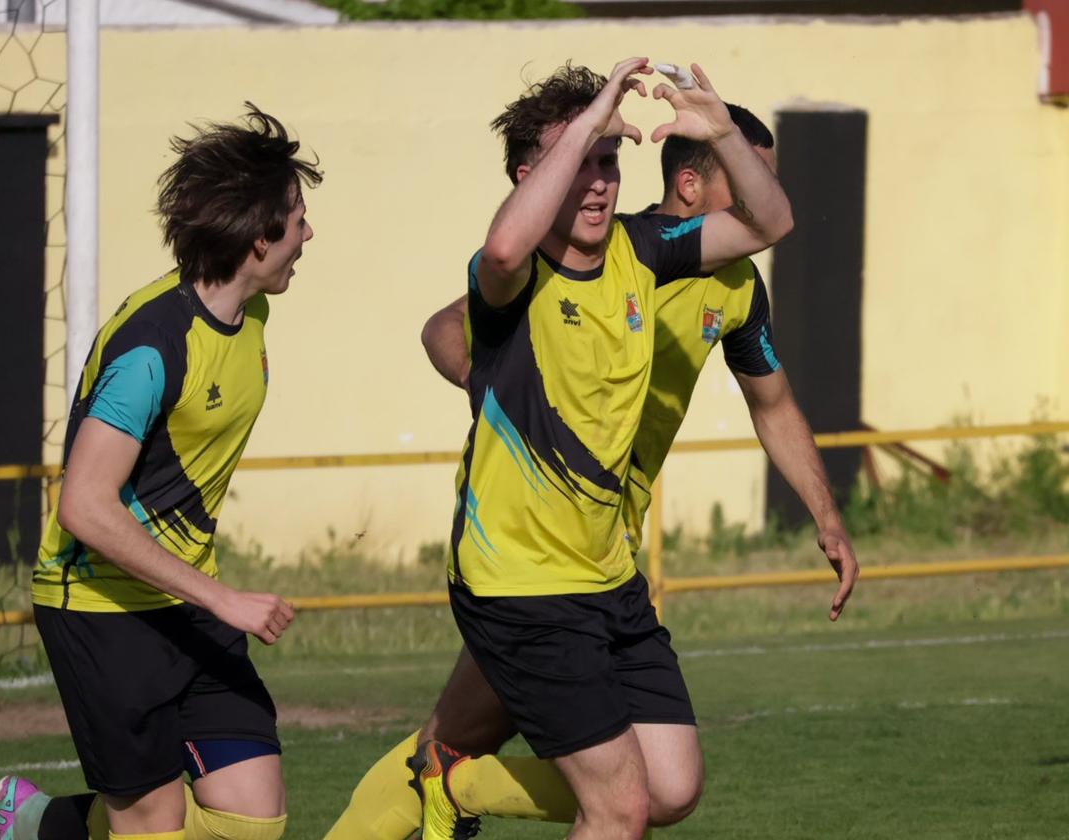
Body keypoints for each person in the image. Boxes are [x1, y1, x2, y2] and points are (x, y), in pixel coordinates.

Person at [324, 96, 857, 840]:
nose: (760, 187)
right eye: (742, 173)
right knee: (554, 777)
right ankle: (437, 793)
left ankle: (450, 789)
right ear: (691, 189)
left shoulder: (733, 288)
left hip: (604, 551)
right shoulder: (591, 252)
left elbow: (774, 405)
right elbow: (449, 325)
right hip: (529, 554)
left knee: (488, 751)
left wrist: (826, 515)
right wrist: (505, 400)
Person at [431, 56, 789, 840]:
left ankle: (454, 786)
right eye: (579, 163)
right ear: (532, 177)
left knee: (672, 787)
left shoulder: (644, 250)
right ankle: (443, 784)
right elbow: (495, 254)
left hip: (607, 575)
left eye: (608, 163)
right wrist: (592, 117)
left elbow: (769, 226)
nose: (598, 182)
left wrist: (723, 130)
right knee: (619, 808)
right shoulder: (512, 283)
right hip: (519, 580)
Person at [0, 104, 320, 840]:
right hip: (102, 614)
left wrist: (206, 598)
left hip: (186, 603)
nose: (308, 234)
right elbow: (85, 506)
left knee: (252, 822)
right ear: (258, 238)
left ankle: (39, 821)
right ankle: (35, 823)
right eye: (297, 219)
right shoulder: (151, 349)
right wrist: (224, 599)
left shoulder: (251, 314)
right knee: (156, 826)